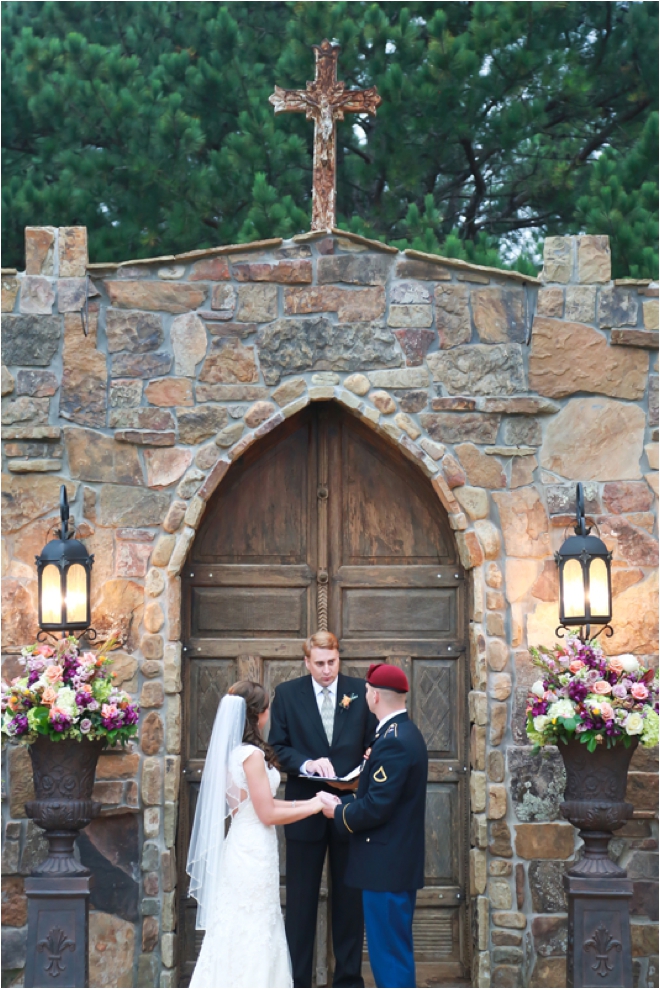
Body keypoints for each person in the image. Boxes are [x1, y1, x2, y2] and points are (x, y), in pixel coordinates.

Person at [186, 680, 325, 989]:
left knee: (236, 926)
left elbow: (257, 806)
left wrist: (312, 802)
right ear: (259, 714)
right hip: (253, 850)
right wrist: (315, 806)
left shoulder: (231, 752)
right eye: (267, 708)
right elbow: (267, 814)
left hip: (240, 843)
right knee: (256, 925)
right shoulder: (251, 756)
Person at [268, 631, 376, 989]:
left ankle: (347, 980)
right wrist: (307, 763)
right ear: (306, 661)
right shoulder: (287, 694)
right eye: (319, 664)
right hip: (304, 809)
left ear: (338, 658)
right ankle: (297, 981)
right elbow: (278, 748)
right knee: (300, 904)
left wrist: (370, 755)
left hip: (349, 809)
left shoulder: (360, 690)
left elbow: (374, 739)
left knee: (350, 902)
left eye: (332, 662)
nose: (327, 670)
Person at [319, 662, 428, 989]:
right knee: (391, 950)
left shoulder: (394, 740)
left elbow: (378, 806)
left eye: (367, 690)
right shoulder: (400, 733)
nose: (365, 694)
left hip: (386, 866)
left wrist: (337, 813)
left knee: (389, 955)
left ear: (376, 695)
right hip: (391, 863)